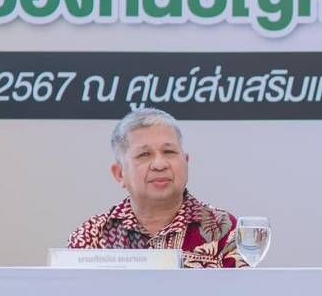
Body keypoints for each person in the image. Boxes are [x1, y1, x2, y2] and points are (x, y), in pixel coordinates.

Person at [68, 108, 242, 268]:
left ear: (186, 162)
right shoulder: (93, 235)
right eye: (144, 154)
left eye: (169, 152)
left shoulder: (224, 229)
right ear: (120, 173)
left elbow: (243, 291)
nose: (160, 164)